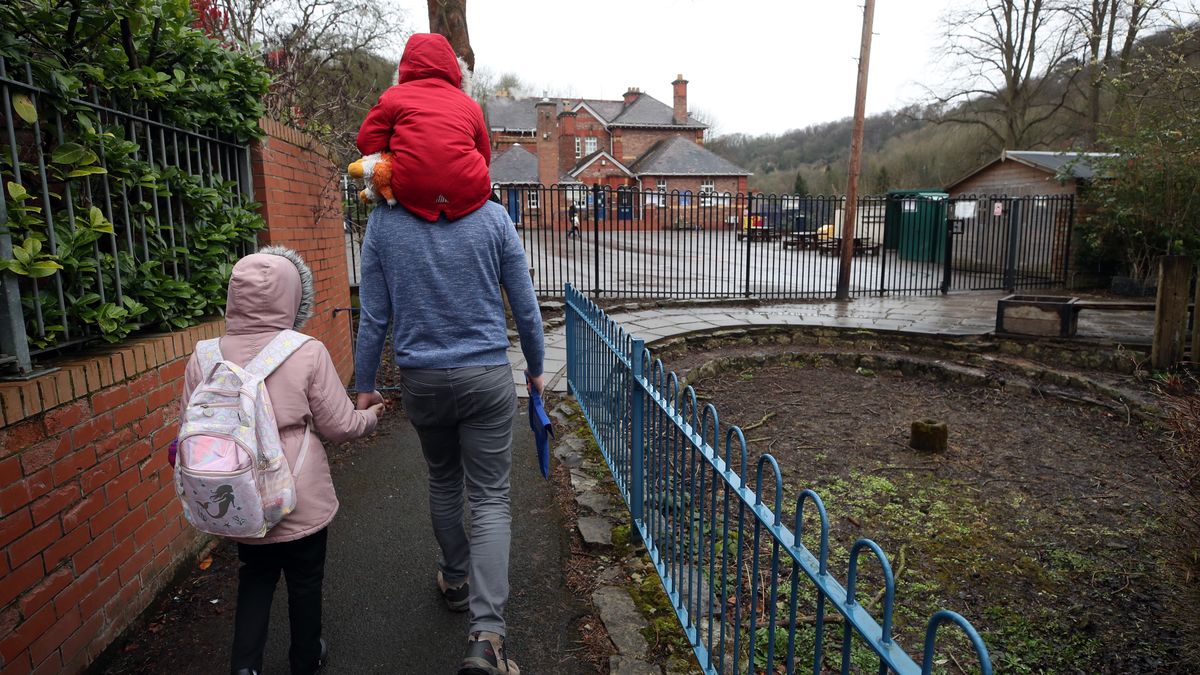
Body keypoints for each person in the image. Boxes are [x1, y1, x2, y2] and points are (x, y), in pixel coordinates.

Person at [354, 197, 545, 671]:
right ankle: (487, 638)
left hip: (423, 379)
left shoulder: (384, 220)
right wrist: (537, 367)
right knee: (490, 498)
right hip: (485, 374)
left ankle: (456, 578)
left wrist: (364, 385)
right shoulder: (493, 217)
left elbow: (374, 314)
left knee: (442, 479)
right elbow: (523, 301)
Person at [180, 247, 384, 675]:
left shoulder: (203, 356)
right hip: (297, 491)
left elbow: (189, 425)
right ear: (294, 297)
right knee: (305, 580)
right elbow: (339, 426)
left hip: (237, 489)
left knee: (255, 575)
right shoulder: (305, 350)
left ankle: (245, 666)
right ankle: (306, 658)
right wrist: (370, 416)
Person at [355, 32, 492, 222]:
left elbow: (365, 141)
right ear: (454, 66)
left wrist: (396, 146)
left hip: (412, 189)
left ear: (406, 65)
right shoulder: (471, 105)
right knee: (495, 210)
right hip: (468, 191)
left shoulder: (394, 96)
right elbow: (484, 156)